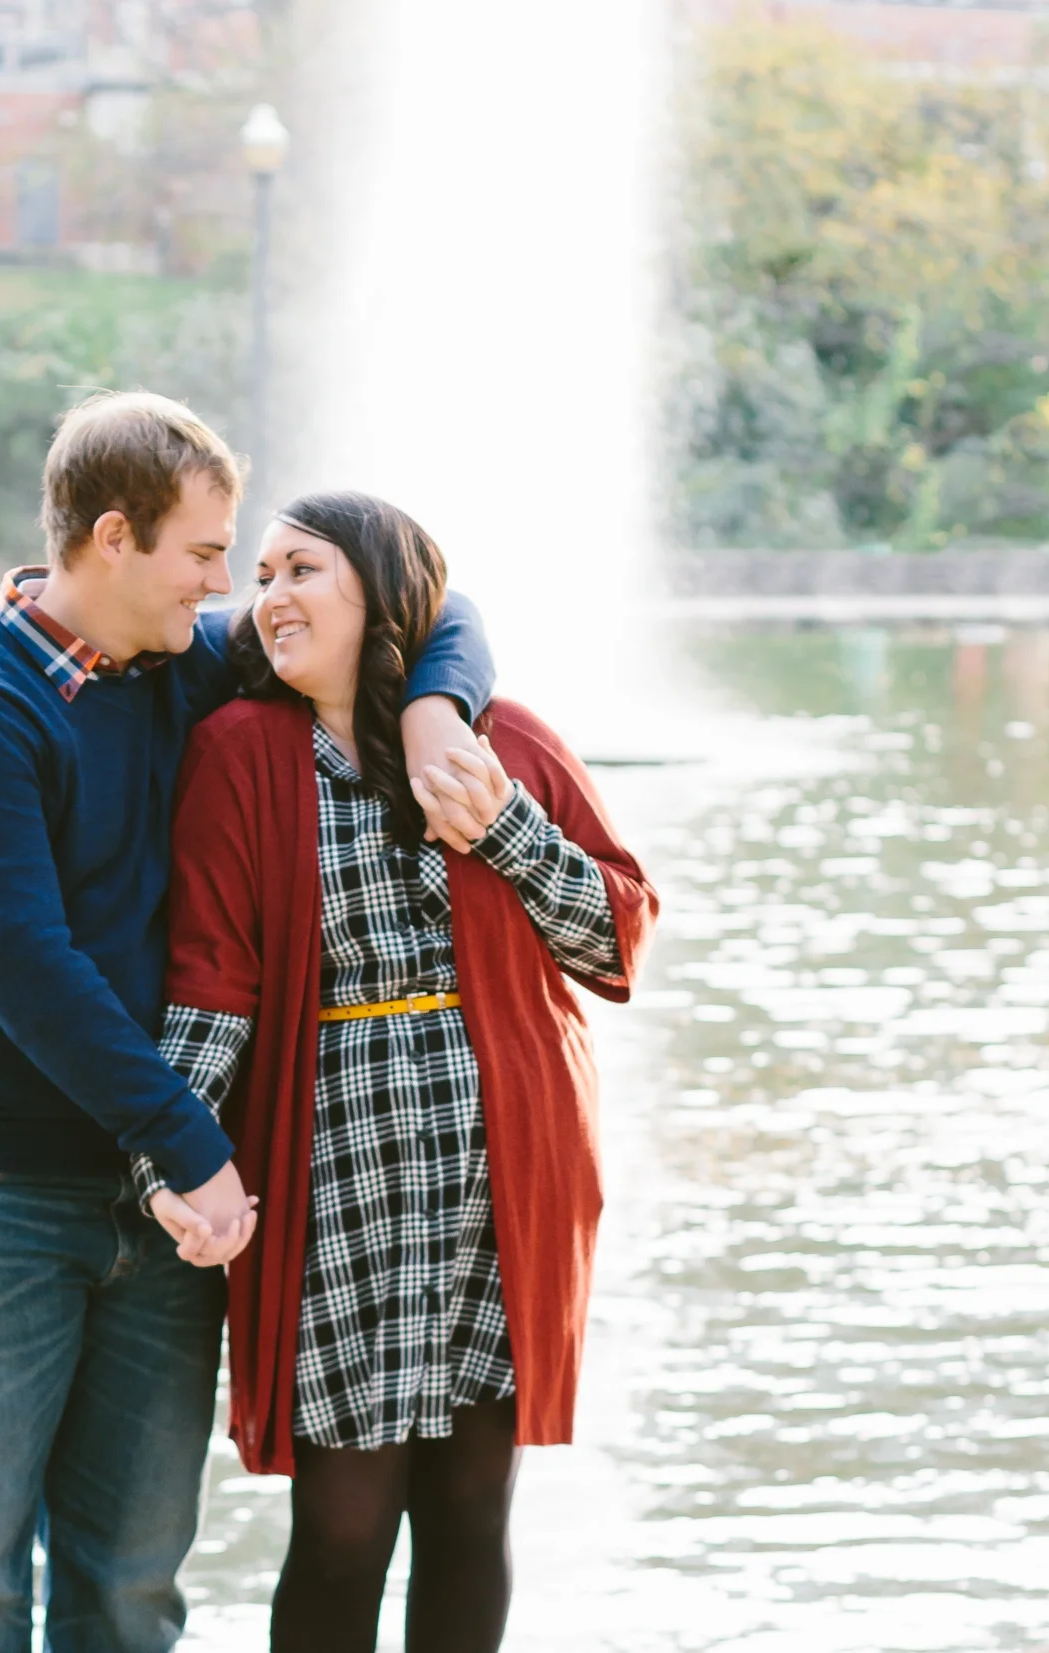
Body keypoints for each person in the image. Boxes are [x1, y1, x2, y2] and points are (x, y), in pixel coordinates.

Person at [0, 394, 501, 1653]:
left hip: (162, 1204)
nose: (227, 588)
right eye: (205, 555)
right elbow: (21, 966)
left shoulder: (189, 664)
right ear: (110, 538)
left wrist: (434, 709)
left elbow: (429, 604)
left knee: (133, 1583)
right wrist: (193, 1143)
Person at [134, 491, 659, 1653]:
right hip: (339, 1178)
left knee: (473, 1514)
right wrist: (166, 1153)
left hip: (501, 1175)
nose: (269, 598)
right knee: (342, 1525)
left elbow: (616, 939)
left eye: (300, 570)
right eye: (260, 576)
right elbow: (211, 975)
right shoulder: (240, 753)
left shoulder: (503, 739)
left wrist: (503, 825)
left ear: (378, 591)